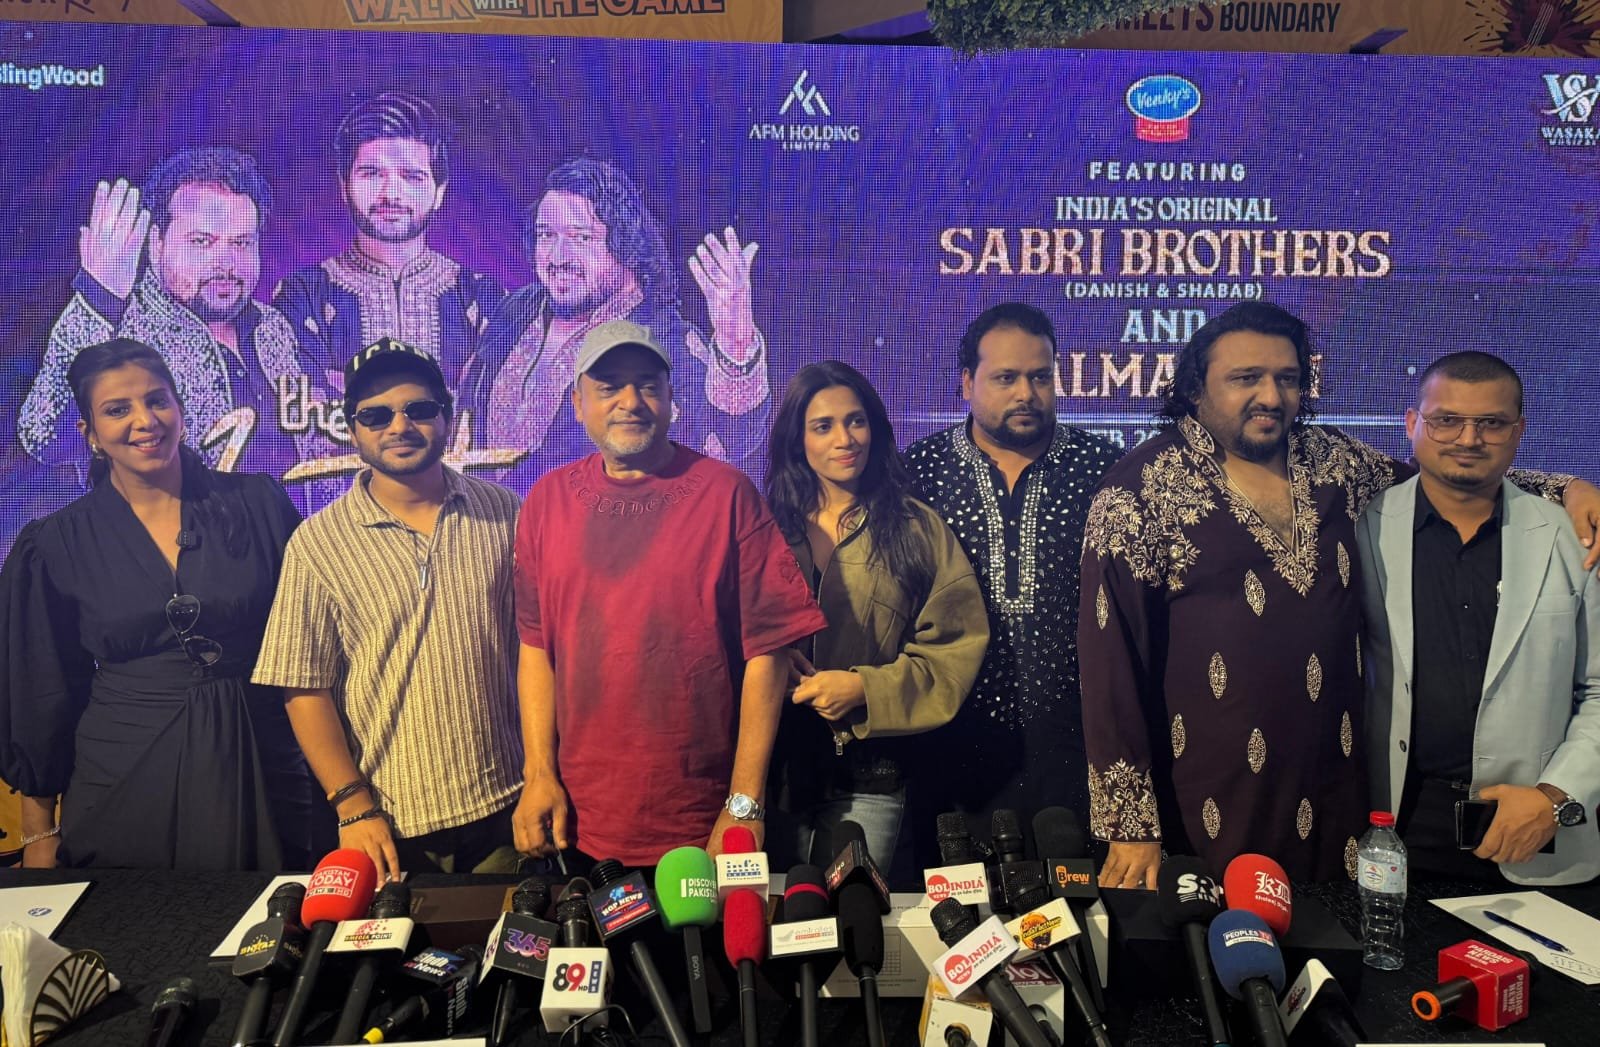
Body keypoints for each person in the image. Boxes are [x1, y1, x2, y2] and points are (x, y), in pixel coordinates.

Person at [1079, 302, 1598, 884]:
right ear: (1195, 388)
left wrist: (1565, 487)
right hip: (1211, 795)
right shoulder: (1136, 492)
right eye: (1246, 378)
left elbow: (1446, 478)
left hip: (1340, 791)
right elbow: (1110, 665)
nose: (1271, 396)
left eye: (1287, 378)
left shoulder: (1334, 462)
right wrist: (1130, 825)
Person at [512, 319, 825, 868]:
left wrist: (744, 802)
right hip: (578, 819)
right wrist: (539, 774)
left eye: (648, 385)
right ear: (577, 402)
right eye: (610, 386)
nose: (631, 401)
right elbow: (537, 647)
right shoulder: (545, 502)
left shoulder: (726, 493)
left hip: (704, 817)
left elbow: (769, 650)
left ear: (671, 398)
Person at [0, 338, 318, 870]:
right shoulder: (55, 543)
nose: (144, 421)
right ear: (90, 432)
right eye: (117, 409)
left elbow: (314, 643)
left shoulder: (259, 504)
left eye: (157, 401)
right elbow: (43, 691)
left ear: (179, 408)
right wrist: (39, 832)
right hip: (123, 774)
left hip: (268, 764)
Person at [252, 338, 524, 882]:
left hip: (508, 806)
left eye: (418, 409)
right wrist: (353, 807)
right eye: (376, 416)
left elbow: (540, 654)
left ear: (447, 419)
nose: (399, 426)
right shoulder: (318, 542)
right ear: (353, 432)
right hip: (391, 824)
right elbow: (303, 688)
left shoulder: (506, 512)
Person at [1360, 351, 1600, 885]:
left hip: (1534, 828)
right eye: (1446, 420)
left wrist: (1555, 797)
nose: (1468, 439)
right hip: (1397, 828)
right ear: (1412, 423)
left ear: (1519, 431)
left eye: (1491, 423)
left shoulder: (1574, 538)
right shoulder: (1362, 527)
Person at [902, 303, 1123, 857]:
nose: (1026, 393)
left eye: (1040, 377)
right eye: (1006, 378)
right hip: (945, 751)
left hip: (1078, 752)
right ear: (967, 383)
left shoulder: (1107, 472)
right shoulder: (916, 474)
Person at [763, 361, 989, 871]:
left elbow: (953, 651)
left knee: (855, 915)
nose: (845, 439)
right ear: (797, 439)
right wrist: (767, 667)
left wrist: (865, 689)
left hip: (870, 778)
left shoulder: (915, 527)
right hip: (772, 773)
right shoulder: (763, 526)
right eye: (823, 426)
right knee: (778, 913)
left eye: (856, 421)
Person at [461, 158, 770, 486]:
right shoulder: (517, 311)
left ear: (625, 245)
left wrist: (736, 344)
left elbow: (733, 440)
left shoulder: (665, 342)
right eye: (546, 235)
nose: (558, 257)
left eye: (582, 238)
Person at [19, 148, 324, 481]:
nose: (226, 263)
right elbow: (45, 437)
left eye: (241, 243)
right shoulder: (119, 333)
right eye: (201, 241)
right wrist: (95, 302)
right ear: (156, 243)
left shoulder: (274, 328)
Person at [272, 91, 503, 388]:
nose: (391, 194)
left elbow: (493, 406)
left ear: (439, 190)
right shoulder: (303, 295)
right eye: (371, 174)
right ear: (344, 186)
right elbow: (302, 404)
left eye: (412, 176)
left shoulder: (483, 297)